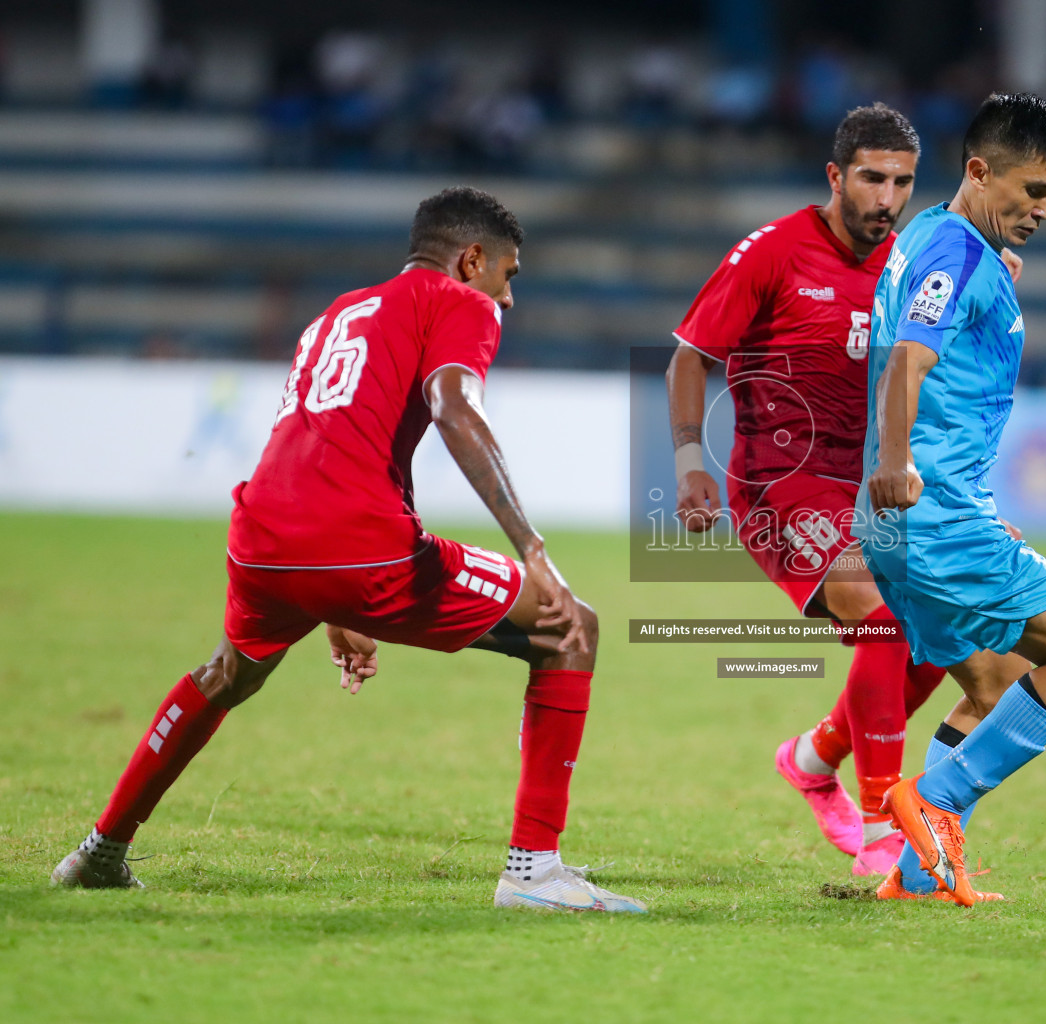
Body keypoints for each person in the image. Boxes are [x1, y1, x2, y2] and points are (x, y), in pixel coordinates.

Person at [51, 187, 645, 914]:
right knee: (571, 625)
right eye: (509, 275)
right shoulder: (462, 303)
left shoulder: (340, 312)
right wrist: (532, 546)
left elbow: (343, 443)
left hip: (265, 538)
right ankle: (534, 872)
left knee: (226, 673)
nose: (509, 297)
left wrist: (334, 599)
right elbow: (455, 410)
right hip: (352, 545)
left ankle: (99, 851)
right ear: (472, 259)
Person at [856, 94, 1046, 905]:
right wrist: (901, 467)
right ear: (979, 171)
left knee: (992, 690)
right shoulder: (963, 260)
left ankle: (916, 874)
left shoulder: (930, 237)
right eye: (1032, 192)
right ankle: (935, 801)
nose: (1043, 211)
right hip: (931, 516)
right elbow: (908, 361)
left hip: (904, 525)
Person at [668, 105, 955, 877]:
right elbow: (691, 357)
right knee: (881, 622)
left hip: (867, 487)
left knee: (941, 634)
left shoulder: (907, 264)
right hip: (778, 486)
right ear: (836, 176)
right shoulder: (773, 252)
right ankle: (882, 827)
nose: (886, 197)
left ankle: (815, 754)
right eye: (871, 178)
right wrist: (690, 458)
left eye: (901, 182)